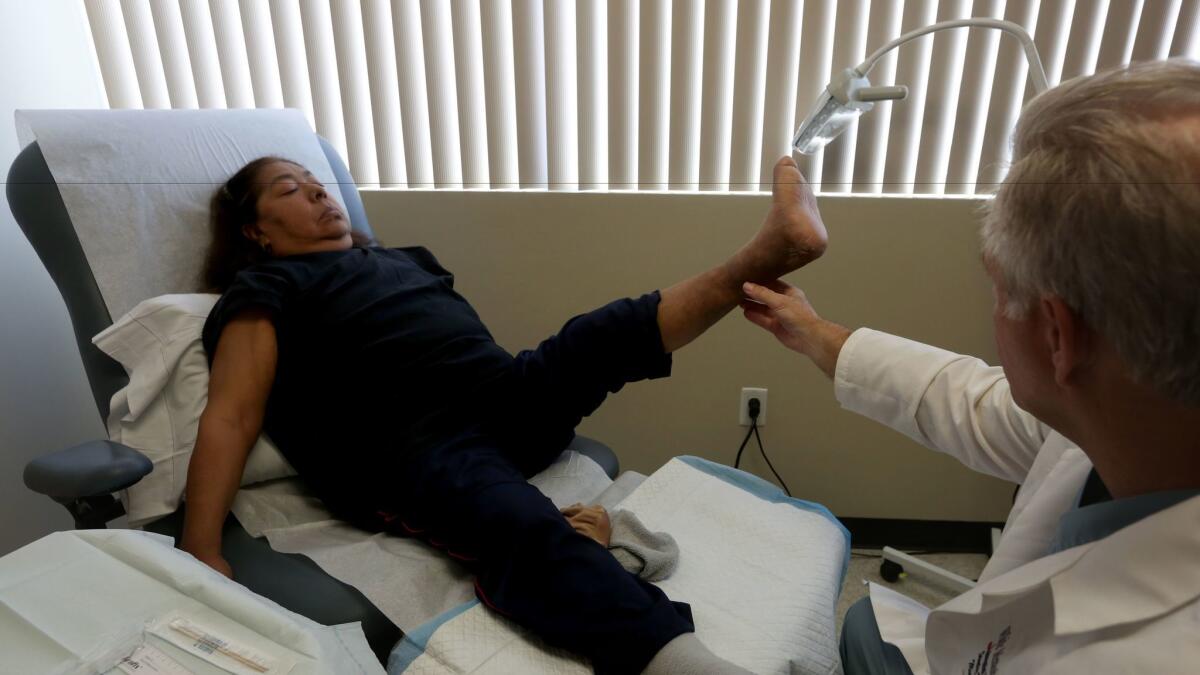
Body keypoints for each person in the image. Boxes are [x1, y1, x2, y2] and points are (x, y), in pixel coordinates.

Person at [181, 151, 827, 674]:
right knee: (516, 524)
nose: (321, 194)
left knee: (599, 334)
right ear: (255, 231)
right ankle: (683, 660)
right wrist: (200, 546)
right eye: (291, 188)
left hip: (500, 394)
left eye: (319, 182)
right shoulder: (265, 289)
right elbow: (232, 416)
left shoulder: (404, 260)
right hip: (412, 444)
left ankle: (761, 256)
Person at [741, 59, 1200, 673]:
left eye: (997, 287)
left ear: (1058, 334)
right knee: (865, 622)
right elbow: (982, 409)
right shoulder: (1138, 417)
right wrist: (815, 334)